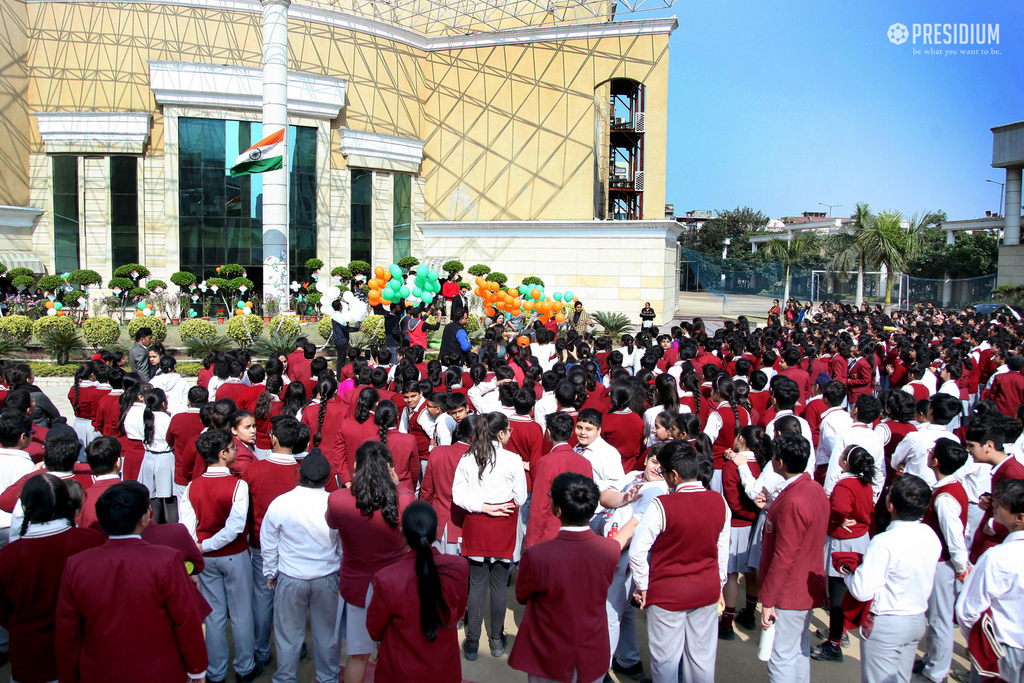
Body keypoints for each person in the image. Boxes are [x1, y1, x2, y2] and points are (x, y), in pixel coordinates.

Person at [55, 481, 208, 683]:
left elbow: (67, 631)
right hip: (160, 672)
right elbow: (186, 619)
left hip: (99, 672)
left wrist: (68, 677)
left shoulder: (77, 565)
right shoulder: (166, 559)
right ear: (144, 517)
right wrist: (196, 669)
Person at [630, 441, 729, 683]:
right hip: (706, 590)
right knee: (702, 658)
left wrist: (643, 586)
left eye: (664, 473)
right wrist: (719, 585)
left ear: (674, 475)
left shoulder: (662, 505)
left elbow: (637, 551)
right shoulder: (719, 502)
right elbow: (721, 552)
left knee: (666, 660)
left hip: (667, 593)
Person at [509, 472, 619, 683]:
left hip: (548, 650)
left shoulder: (537, 555)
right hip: (592, 648)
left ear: (557, 509)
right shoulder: (610, 550)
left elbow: (522, 595)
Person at [0, 474, 105, 683]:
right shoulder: (92, 542)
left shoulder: (8, 557)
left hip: (30, 659)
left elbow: (4, 613)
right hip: (86, 652)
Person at [325, 441, 414, 683]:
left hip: (357, 587)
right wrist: (400, 487)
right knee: (392, 652)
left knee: (358, 655)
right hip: (395, 588)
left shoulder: (338, 500)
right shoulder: (404, 500)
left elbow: (331, 524)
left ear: (355, 467)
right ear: (390, 469)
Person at [178, 430, 262, 683]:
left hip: (206, 558)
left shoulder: (192, 487)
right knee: (241, 613)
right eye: (232, 448)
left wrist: (200, 547)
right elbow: (236, 527)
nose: (236, 451)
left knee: (213, 614)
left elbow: (187, 526)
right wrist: (207, 546)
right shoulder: (237, 485)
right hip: (233, 556)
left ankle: (215, 670)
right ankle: (245, 666)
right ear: (223, 454)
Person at [844, 475, 941, 683]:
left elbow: (862, 589)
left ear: (891, 504)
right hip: (915, 618)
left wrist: (847, 572)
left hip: (887, 622)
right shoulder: (930, 535)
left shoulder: (884, 542)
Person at [366, 501, 470, 683]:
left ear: (402, 533)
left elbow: (374, 630)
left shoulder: (387, 579)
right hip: (444, 669)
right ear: (436, 529)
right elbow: (459, 611)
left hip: (400, 672)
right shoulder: (459, 567)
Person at [260, 449, 341, 683]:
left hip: (290, 577)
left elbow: (268, 541)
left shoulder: (281, 503)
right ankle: (327, 678)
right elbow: (342, 543)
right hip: (326, 578)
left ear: (299, 473)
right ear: (327, 478)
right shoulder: (333, 503)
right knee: (327, 635)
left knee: (287, 635)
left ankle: (285, 678)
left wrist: (270, 572)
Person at [452, 411, 527, 661]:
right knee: (498, 586)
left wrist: (483, 506)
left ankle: (472, 641)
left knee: (476, 584)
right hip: (503, 526)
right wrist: (497, 505)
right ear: (502, 433)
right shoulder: (513, 460)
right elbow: (521, 498)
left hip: (476, 525)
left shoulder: (467, 457)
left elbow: (458, 496)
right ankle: (496, 638)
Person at [758, 431, 829, 683]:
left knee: (781, 657)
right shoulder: (814, 489)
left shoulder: (793, 500)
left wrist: (768, 599)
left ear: (781, 462)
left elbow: (783, 556)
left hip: (788, 592)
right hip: (805, 587)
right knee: (799, 649)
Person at [811, 445, 876, 663]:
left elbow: (838, 508)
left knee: (837, 594)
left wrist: (837, 519)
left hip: (843, 542)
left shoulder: (845, 484)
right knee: (847, 590)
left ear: (846, 462)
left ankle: (835, 643)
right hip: (860, 539)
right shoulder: (865, 482)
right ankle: (840, 633)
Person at [955, 479, 1024, 683]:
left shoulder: (998, 557)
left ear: (1019, 518)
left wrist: (977, 644)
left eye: (1001, 503)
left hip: (1001, 648)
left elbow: (968, 610)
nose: (994, 505)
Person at [915, 437, 971, 683]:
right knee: (936, 617)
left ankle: (936, 671)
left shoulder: (945, 498)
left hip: (943, 564)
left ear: (935, 461)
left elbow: (955, 538)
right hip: (941, 562)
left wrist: (960, 568)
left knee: (940, 619)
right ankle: (932, 659)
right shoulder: (947, 488)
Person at [524, 412, 594, 548]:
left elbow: (539, 506)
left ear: (548, 433)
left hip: (550, 533)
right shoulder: (584, 462)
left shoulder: (546, 462)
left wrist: (531, 542)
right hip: (578, 532)